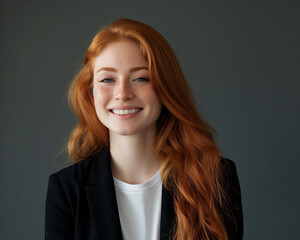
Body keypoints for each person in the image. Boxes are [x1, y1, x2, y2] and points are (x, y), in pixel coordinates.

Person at [45, 18, 243, 240]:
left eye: (140, 78)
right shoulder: (67, 189)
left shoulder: (215, 177)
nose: (122, 93)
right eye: (107, 79)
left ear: (165, 88)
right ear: (91, 93)